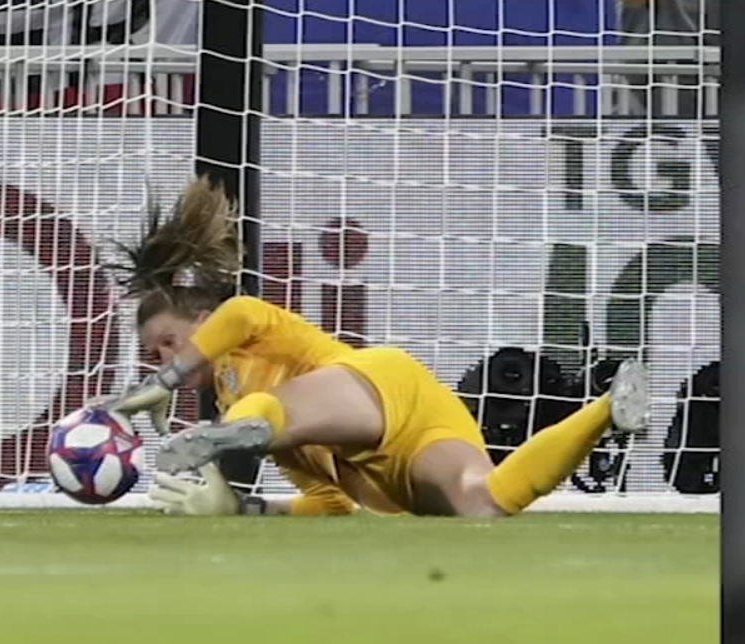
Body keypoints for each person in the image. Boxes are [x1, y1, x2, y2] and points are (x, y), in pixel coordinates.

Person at [100, 178, 649, 518]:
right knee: (482, 503)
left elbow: (239, 312)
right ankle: (606, 409)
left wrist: (162, 385)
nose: (166, 359)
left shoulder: (248, 333)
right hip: (395, 449)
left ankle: (222, 440)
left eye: (168, 343)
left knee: (254, 411)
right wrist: (244, 507)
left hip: (372, 386)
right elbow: (329, 502)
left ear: (204, 319)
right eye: (153, 358)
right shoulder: (244, 399)